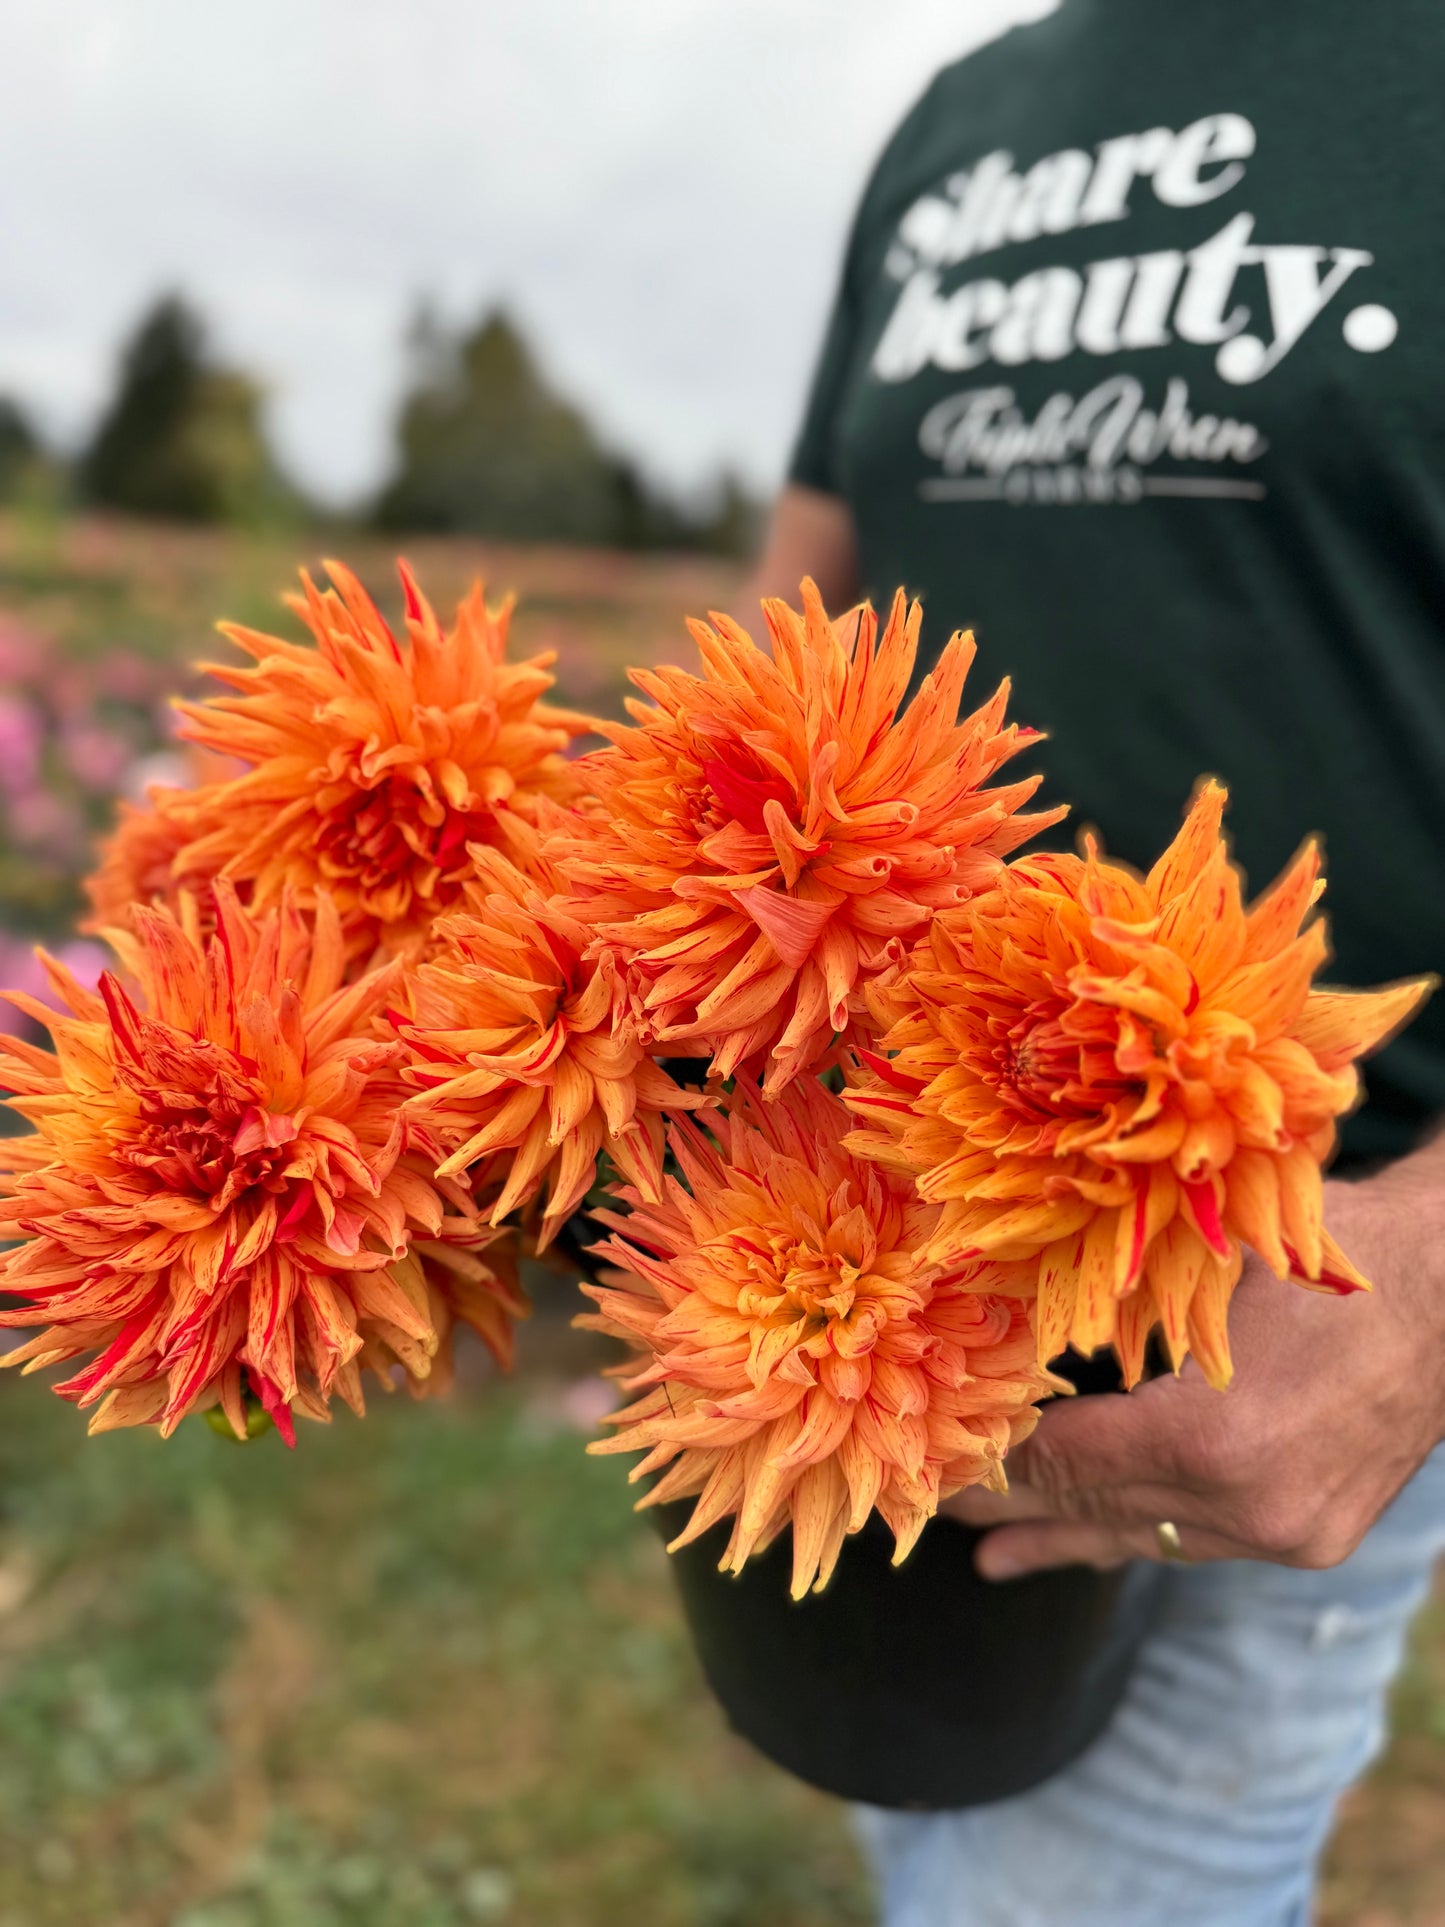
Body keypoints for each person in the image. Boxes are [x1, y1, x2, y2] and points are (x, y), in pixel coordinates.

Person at [746, 3, 1445, 1921]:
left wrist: (1431, 1285)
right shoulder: (966, 116)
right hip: (856, 1213)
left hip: (1294, 1293)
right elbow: (798, 590)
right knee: (932, 1814)